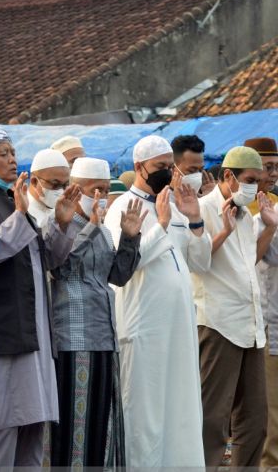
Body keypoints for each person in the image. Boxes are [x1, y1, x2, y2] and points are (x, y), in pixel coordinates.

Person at [0, 126, 79, 470]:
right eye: (2, 153)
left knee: (30, 436)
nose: (12, 159)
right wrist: (21, 217)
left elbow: (45, 260)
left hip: (32, 339)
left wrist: (61, 224)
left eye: (12, 152)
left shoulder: (10, 199)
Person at [103, 135, 211, 467]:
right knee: (145, 415)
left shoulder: (173, 204)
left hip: (177, 326)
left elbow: (201, 263)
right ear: (139, 168)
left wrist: (193, 219)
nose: (167, 172)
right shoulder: (123, 208)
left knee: (181, 409)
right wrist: (161, 225)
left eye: (169, 166)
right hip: (144, 327)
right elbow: (123, 267)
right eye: (159, 167)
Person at [50, 157, 145, 468]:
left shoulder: (103, 230)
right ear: (76, 189)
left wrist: (130, 237)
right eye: (96, 189)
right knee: (78, 424)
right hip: (74, 337)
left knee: (102, 419)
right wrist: (91, 225)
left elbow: (117, 275)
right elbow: (61, 264)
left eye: (106, 190)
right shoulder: (60, 224)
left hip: (104, 335)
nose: (102, 196)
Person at [193, 146, 276, 467]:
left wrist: (269, 227)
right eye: (250, 179)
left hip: (251, 325)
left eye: (260, 180)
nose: (256, 187)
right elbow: (197, 262)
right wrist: (224, 231)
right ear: (228, 175)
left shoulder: (244, 213)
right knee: (213, 419)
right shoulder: (201, 209)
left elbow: (248, 261)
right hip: (217, 323)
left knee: (255, 420)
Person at [245, 138, 278, 468]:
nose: (272, 175)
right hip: (263, 319)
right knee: (269, 409)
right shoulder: (243, 210)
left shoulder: (274, 207)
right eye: (266, 168)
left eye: (274, 168)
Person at [27, 148, 71, 227]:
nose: (61, 191)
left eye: (65, 185)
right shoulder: (23, 213)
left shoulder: (63, 211)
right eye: (55, 185)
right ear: (34, 181)